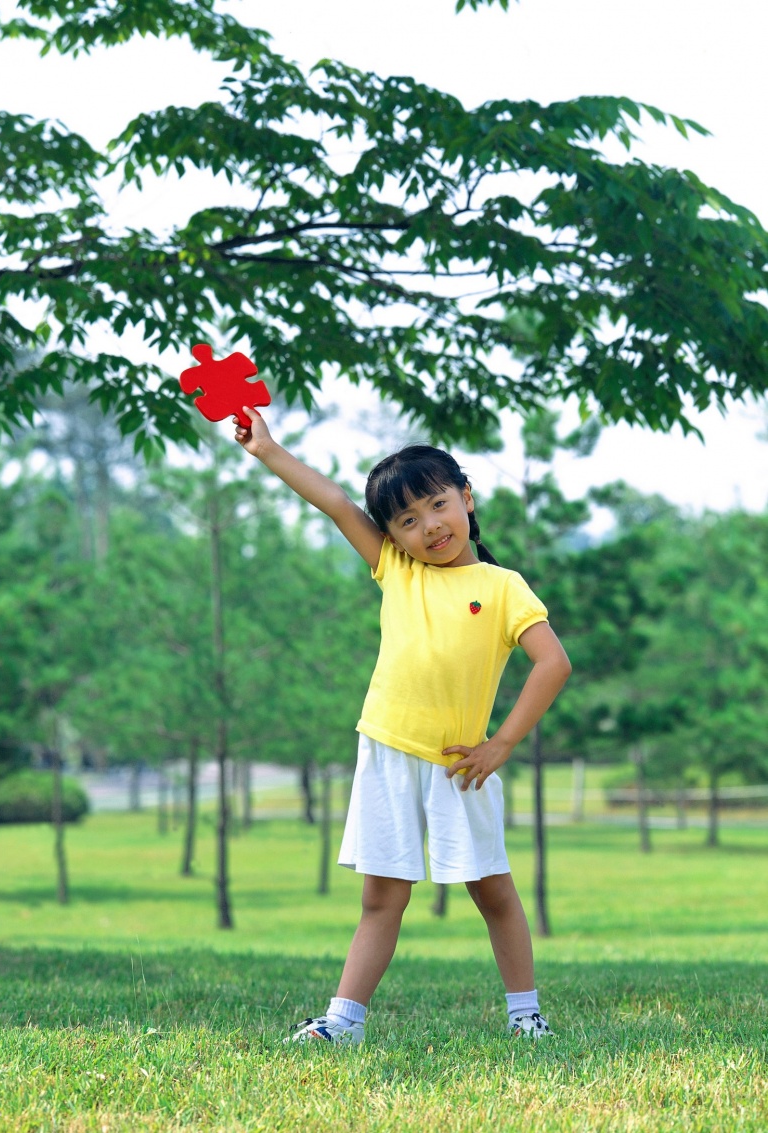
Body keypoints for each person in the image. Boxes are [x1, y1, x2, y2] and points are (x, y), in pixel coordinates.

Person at [233, 405, 572, 1045]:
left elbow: (553, 663)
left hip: (458, 764)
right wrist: (267, 449)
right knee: (382, 899)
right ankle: (343, 1023)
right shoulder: (399, 569)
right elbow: (334, 503)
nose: (428, 527)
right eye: (407, 521)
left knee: (493, 894)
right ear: (394, 535)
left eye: (438, 505)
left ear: (466, 499)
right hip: (386, 753)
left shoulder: (503, 587)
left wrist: (500, 745)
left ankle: (527, 1016)